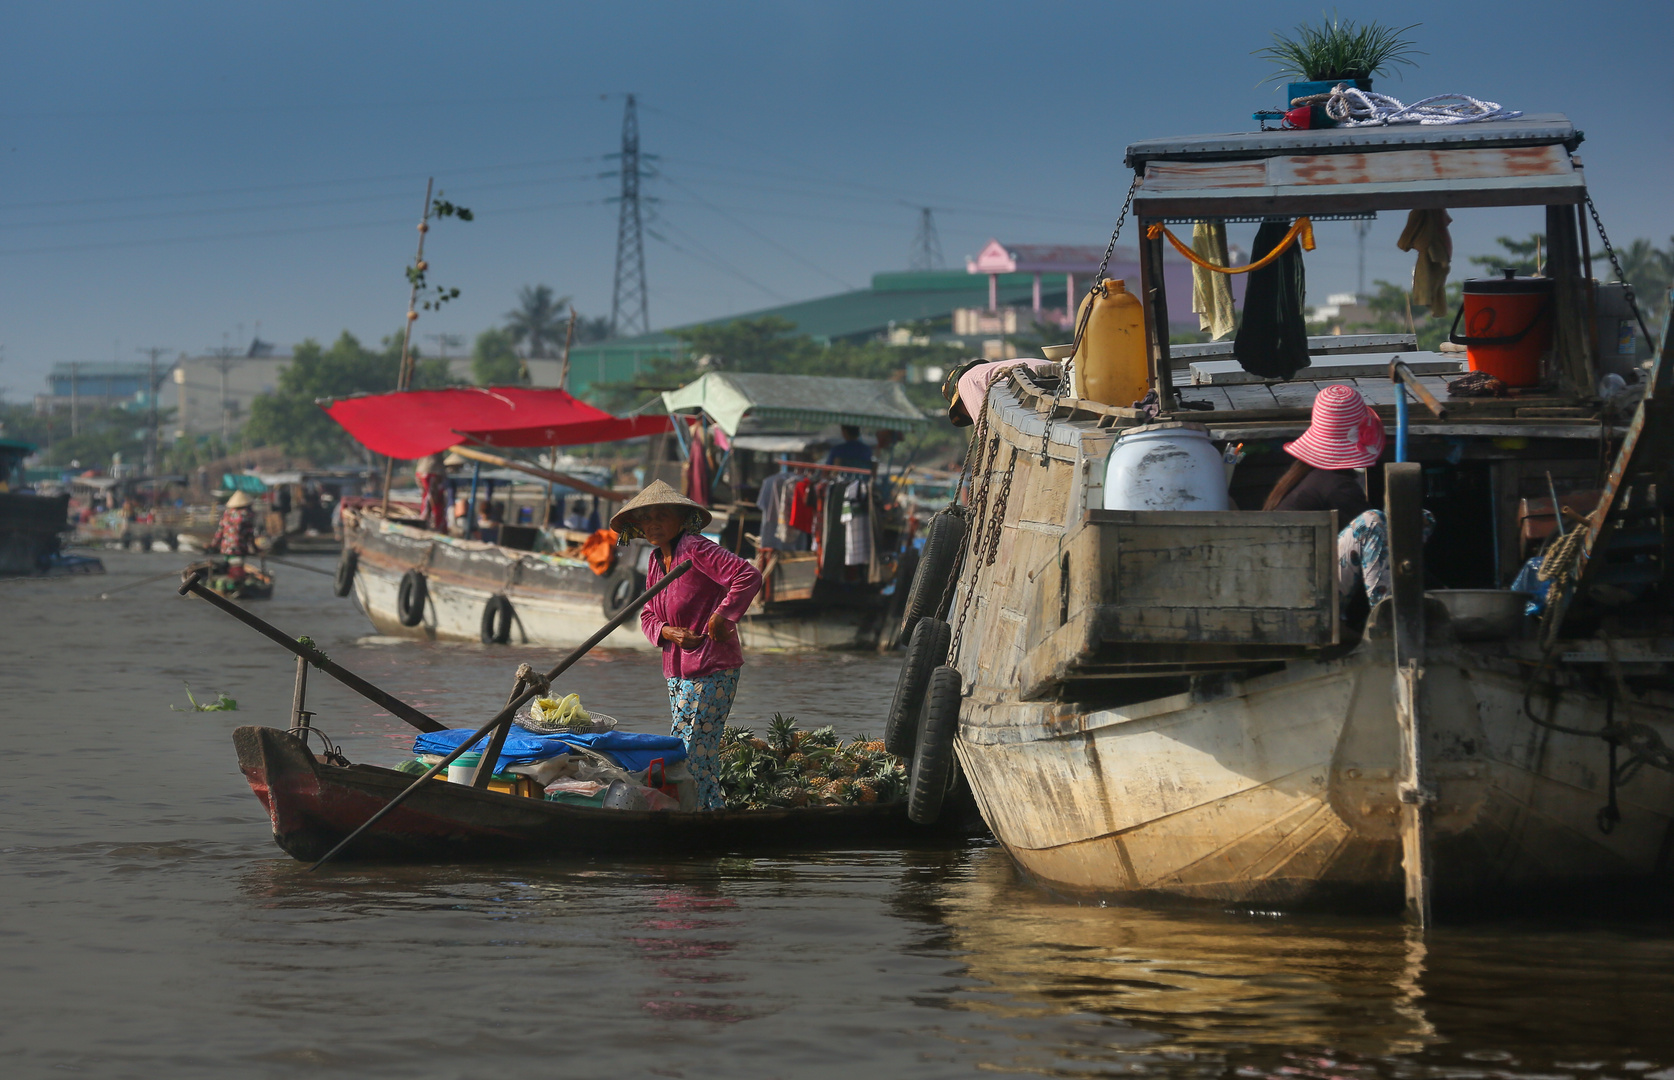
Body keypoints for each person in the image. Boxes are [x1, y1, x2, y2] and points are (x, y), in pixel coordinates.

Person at [614, 480, 764, 811]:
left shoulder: (697, 549)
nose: (653, 525)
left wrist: (721, 617)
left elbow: (747, 576)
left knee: (689, 750)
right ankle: (710, 809)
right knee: (698, 753)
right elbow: (648, 614)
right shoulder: (656, 561)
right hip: (677, 672)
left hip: (712, 666)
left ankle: (695, 813)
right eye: (647, 519)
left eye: (661, 516)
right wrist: (670, 632)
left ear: (681, 519)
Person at [1261, 384, 1420, 610]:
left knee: (1418, 519)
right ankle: (1387, 613)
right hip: (1298, 592)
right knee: (1372, 522)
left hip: (1291, 582)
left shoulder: (1307, 478)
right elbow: (1384, 543)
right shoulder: (1338, 488)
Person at [208, 490, 258, 573]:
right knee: (237, 569)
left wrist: (213, 545)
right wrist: (255, 548)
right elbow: (250, 534)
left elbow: (219, 532)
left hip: (226, 548)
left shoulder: (227, 513)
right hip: (239, 548)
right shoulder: (247, 514)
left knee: (228, 566)